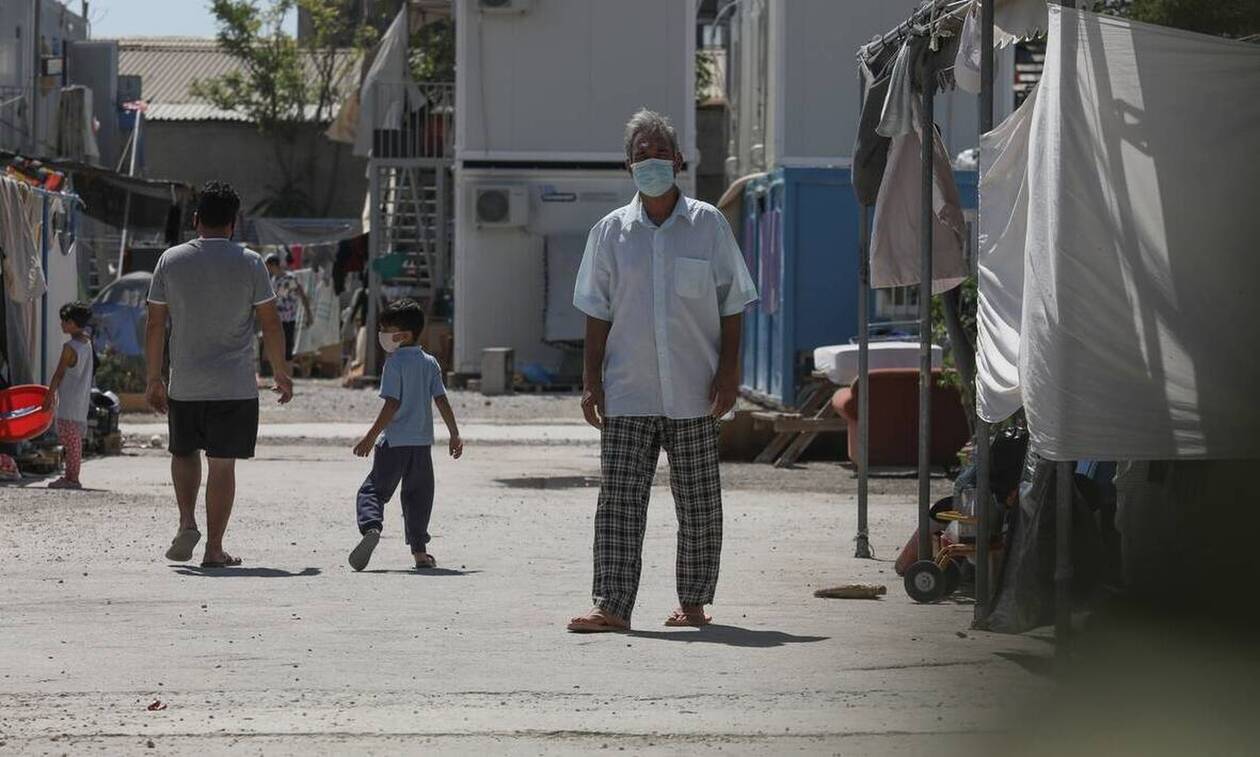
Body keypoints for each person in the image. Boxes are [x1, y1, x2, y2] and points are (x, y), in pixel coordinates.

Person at [567, 109, 758, 633]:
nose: (650, 161)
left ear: (678, 160)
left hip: (695, 390)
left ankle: (693, 603)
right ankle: (612, 605)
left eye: (659, 152)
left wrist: (729, 372)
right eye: (640, 154)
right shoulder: (610, 234)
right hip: (627, 392)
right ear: (627, 165)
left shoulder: (708, 225)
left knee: (699, 503)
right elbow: (596, 313)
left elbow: (733, 302)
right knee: (620, 504)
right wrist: (591, 382)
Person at [146, 181, 294, 568]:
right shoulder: (250, 262)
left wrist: (152, 378)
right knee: (223, 464)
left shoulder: (171, 260)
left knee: (183, 453)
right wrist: (280, 371)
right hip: (235, 386)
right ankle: (214, 548)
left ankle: (185, 522)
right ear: (234, 222)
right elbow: (271, 324)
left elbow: (155, 324)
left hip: (186, 382)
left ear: (195, 219)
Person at [349, 299, 463, 572]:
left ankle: (371, 527)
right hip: (421, 445)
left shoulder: (394, 362)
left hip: (394, 443)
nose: (383, 335)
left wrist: (369, 436)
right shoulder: (430, 362)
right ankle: (420, 553)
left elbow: (392, 404)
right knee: (418, 497)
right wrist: (454, 434)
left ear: (405, 335)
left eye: (388, 329)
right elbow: (442, 400)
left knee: (373, 490)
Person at [42, 302, 95, 490]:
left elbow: (58, 374)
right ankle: (71, 476)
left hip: (70, 400)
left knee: (71, 441)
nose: (61, 325)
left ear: (72, 323)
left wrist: (48, 397)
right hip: (80, 400)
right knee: (74, 441)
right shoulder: (86, 342)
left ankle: (72, 479)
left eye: (64, 321)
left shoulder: (70, 347)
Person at [265, 252, 313, 369]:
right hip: (277, 319)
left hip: (288, 319)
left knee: (287, 349)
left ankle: (288, 377)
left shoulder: (290, 278)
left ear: (273, 265)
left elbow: (302, 295)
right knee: (277, 348)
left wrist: (308, 314)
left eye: (268, 266)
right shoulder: (273, 280)